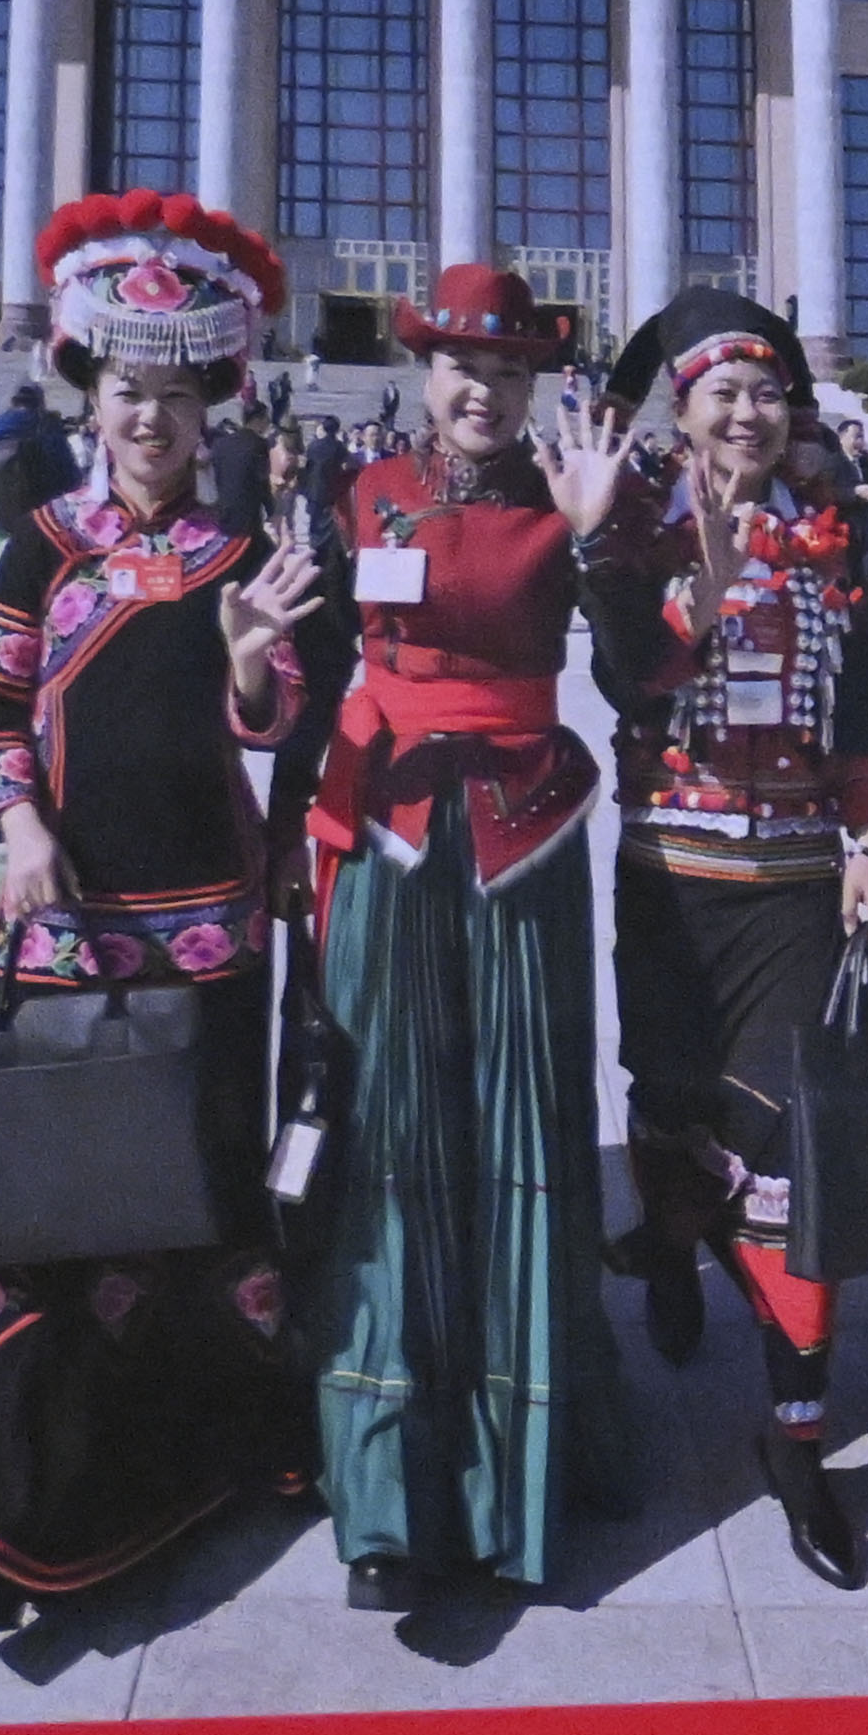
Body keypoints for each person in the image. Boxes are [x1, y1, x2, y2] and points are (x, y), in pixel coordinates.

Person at [0, 194, 324, 1635]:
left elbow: (278, 722)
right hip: (64, 927)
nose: (148, 415)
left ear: (210, 402)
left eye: (172, 390)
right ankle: (27, 1520)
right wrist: (20, 825)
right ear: (87, 395)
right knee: (51, 1216)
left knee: (199, 1209)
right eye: (125, 387)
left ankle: (202, 1470)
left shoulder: (245, 555)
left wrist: (249, 664)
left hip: (208, 934)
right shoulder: (39, 543)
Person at [285, 266, 628, 1603]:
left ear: (536, 384)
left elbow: (645, 664)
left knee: (519, 1128)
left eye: (506, 369)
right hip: (385, 825)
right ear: (423, 374)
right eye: (458, 365)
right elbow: (310, 665)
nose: (480, 390)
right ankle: (386, 1493)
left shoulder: (574, 493)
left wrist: (599, 540)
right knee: (391, 1128)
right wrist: (266, 714)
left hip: (521, 838)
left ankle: (523, 1472)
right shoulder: (364, 491)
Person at [585, 284, 868, 1583]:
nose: (750, 412)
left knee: (793, 1152)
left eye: (768, 391)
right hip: (672, 875)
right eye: (725, 393)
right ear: (685, 412)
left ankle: (797, 1432)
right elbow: (622, 678)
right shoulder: (634, 524)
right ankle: (667, 1245)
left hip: (798, 886)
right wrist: (692, 599)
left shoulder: (838, 529)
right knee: (670, 1097)